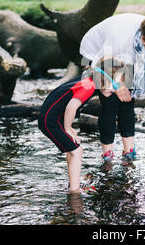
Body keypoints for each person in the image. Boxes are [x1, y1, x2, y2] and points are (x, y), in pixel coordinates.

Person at [79, 13, 145, 163]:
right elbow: (100, 67)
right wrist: (116, 86)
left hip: (123, 58)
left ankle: (128, 150)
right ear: (144, 41)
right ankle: (107, 154)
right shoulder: (118, 40)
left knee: (127, 103)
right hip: (98, 57)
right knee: (110, 105)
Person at [38, 56, 127, 193]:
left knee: (72, 149)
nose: (115, 90)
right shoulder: (89, 86)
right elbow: (72, 106)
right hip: (50, 121)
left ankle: (73, 182)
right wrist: (68, 127)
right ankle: (75, 191)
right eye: (115, 85)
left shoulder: (87, 80)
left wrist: (69, 127)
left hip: (53, 118)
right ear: (105, 78)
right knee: (77, 151)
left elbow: (66, 102)